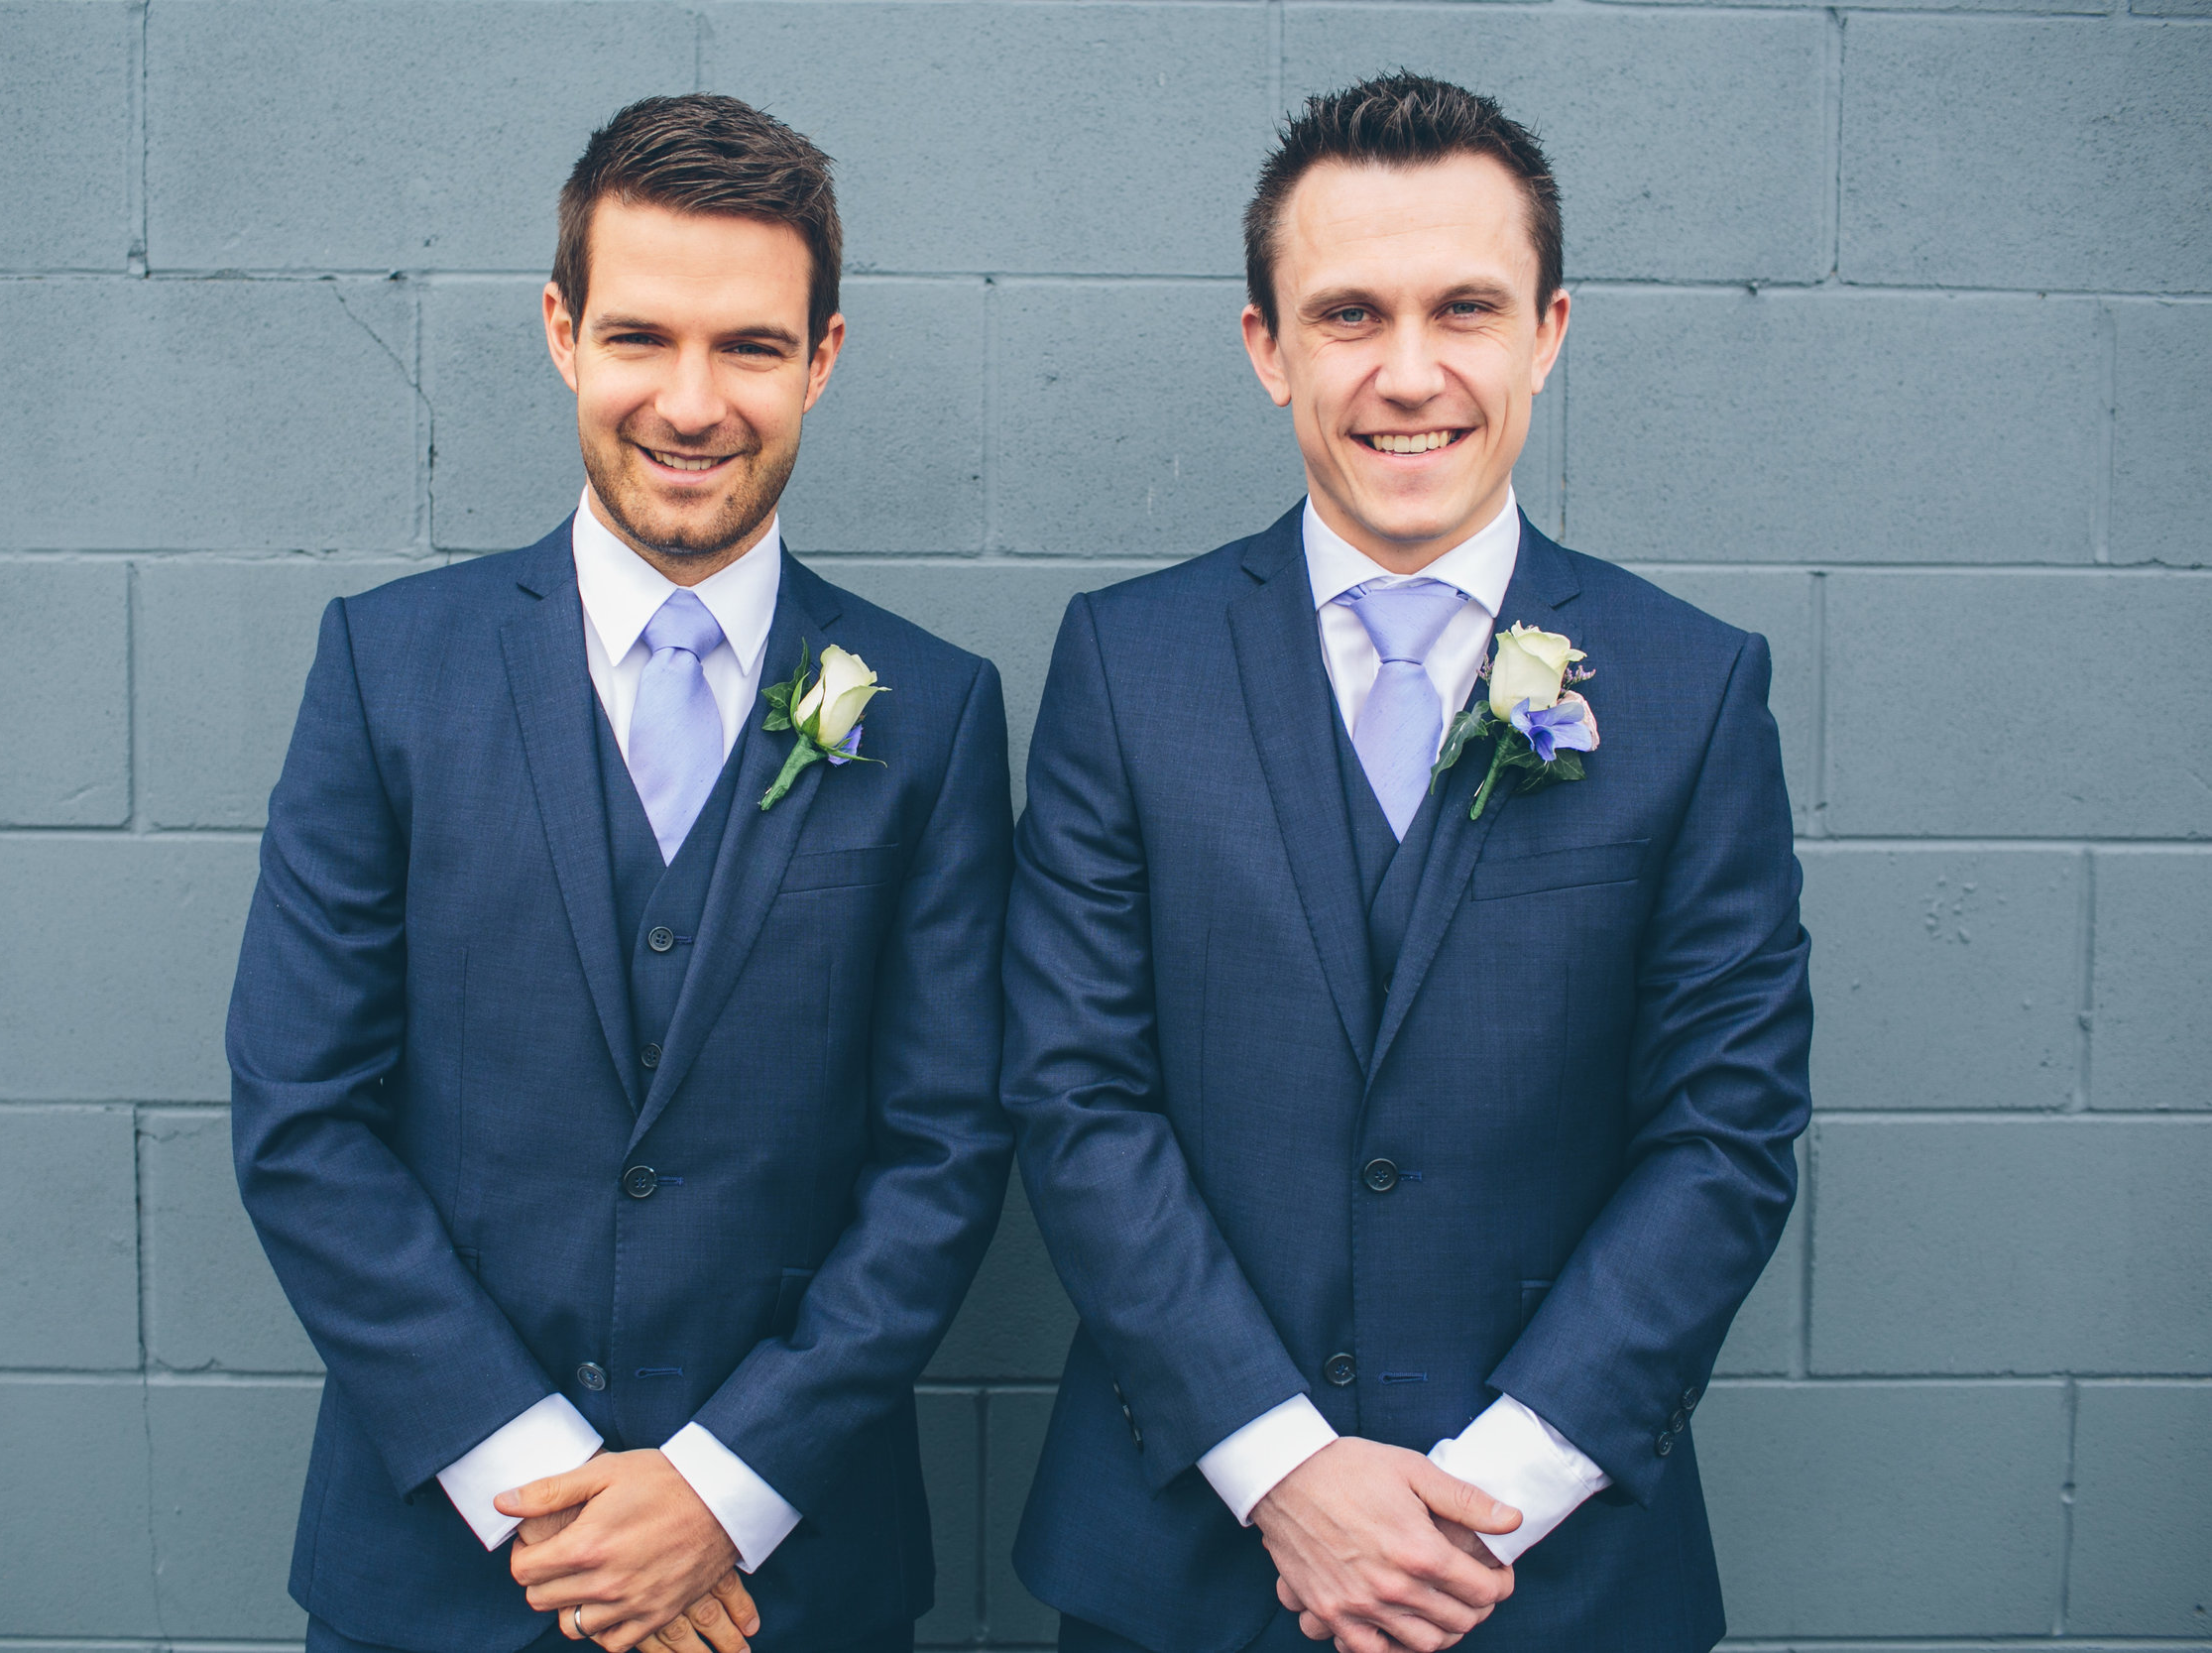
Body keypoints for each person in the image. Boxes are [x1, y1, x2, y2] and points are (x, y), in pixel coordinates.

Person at [1002, 71, 1812, 1653]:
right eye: (1350, 313)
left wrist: (1493, 1492)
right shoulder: (1123, 661)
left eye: (1467, 308)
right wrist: (1286, 1468)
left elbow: (1727, 1129)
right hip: (1186, 1555)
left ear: (1548, 332)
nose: (1410, 372)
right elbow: (1076, 1095)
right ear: (1268, 346)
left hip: (1545, 1573)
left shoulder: (1695, 685)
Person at [227, 93, 1015, 1653]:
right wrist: (550, 1491)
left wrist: (722, 1489)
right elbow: (303, 1116)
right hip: (446, 1576)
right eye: (642, 337)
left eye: (752, 347)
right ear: (561, 332)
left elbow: (946, 1149)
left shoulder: (934, 711)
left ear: (825, 358)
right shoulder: (388, 670)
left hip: (792, 1578)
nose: (693, 402)